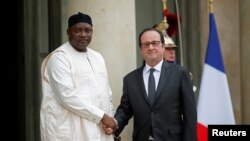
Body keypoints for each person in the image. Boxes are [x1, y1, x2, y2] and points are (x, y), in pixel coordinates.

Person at [40, 12, 117, 141]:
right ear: (68, 32)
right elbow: (67, 96)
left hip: (98, 129)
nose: (83, 34)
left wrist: (110, 119)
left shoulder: (97, 57)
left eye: (88, 30)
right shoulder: (59, 57)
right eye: (77, 30)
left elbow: (106, 93)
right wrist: (103, 117)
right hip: (70, 130)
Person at [112, 28, 197, 141]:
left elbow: (190, 114)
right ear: (141, 49)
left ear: (162, 46)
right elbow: (125, 110)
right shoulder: (130, 79)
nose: (150, 47)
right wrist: (114, 125)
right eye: (146, 44)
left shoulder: (180, 74)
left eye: (155, 43)